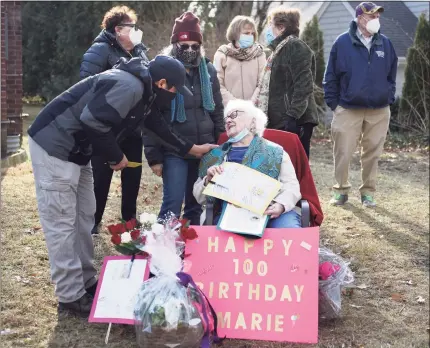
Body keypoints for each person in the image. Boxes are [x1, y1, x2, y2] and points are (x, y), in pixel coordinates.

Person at [27, 55, 216, 317]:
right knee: (62, 222)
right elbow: (92, 120)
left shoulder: (145, 92)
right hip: (54, 146)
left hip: (77, 152)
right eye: (173, 90)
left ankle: (86, 281)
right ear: (162, 83)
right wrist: (116, 156)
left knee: (84, 217)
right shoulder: (130, 86)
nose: (173, 96)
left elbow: (157, 127)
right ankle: (70, 296)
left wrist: (193, 149)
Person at [143, 12, 224, 226]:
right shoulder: (161, 71)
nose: (189, 50)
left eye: (194, 46)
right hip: (174, 149)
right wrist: (154, 157)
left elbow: (217, 110)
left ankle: (190, 252)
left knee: (196, 204)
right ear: (174, 44)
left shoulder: (208, 71)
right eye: (184, 45)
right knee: (172, 204)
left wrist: (221, 145)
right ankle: (162, 250)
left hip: (205, 148)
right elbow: (150, 118)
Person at [80, 5, 149, 235]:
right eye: (132, 28)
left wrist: (139, 48)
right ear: (118, 29)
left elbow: (147, 76)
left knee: (133, 175)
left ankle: (129, 220)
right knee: (100, 178)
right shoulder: (99, 51)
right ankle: (93, 221)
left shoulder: (136, 50)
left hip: (132, 129)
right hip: (106, 130)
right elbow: (87, 86)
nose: (136, 32)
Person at [323, 2, 397, 207]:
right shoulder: (342, 43)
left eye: (377, 16)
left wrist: (388, 97)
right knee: (343, 152)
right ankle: (341, 190)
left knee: (373, 153)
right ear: (360, 18)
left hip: (379, 110)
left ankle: (368, 193)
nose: (376, 20)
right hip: (348, 108)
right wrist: (335, 105)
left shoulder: (385, 43)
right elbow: (330, 77)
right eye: (371, 16)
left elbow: (391, 76)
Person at [193, 99, 302, 228]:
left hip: (270, 211)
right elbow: (198, 196)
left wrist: (281, 205)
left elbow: (291, 186)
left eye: (234, 115)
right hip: (229, 212)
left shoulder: (276, 152)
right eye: (226, 117)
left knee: (289, 231)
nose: (228, 120)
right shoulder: (215, 155)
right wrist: (208, 180)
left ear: (253, 121)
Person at [256, 7, 318, 159]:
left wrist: (292, 116)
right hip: (281, 120)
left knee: (295, 169)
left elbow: (304, 86)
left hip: (295, 121)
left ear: (282, 27)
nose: (268, 29)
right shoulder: (278, 51)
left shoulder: (296, 47)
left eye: (271, 24)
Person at [213, 15, 266, 106]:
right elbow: (217, 84)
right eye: (246, 33)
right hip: (229, 111)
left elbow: (263, 83)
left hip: (254, 110)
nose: (250, 36)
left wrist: (251, 103)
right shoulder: (222, 54)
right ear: (235, 34)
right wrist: (235, 104)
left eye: (252, 33)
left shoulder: (259, 54)